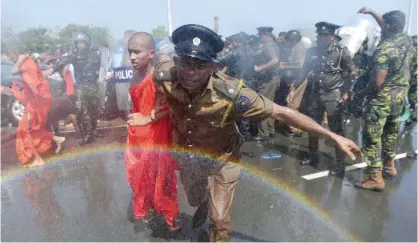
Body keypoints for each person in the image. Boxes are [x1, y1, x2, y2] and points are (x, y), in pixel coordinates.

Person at [128, 24, 362, 241]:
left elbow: (281, 113)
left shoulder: (232, 94)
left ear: (213, 67)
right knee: (194, 199)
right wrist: (153, 113)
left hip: (223, 158)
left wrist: (332, 135)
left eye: (200, 65)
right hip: (191, 157)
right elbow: (161, 82)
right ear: (177, 61)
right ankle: (205, 204)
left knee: (219, 219)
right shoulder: (164, 74)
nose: (191, 72)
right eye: (186, 63)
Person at [125, 32, 180, 231]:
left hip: (156, 135)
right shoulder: (134, 73)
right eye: (130, 52)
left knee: (162, 177)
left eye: (137, 52)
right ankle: (147, 207)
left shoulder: (159, 76)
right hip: (136, 136)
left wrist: (147, 118)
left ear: (151, 53)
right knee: (138, 177)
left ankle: (171, 216)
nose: (132, 57)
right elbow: (137, 104)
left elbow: (173, 105)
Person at [287, 22, 358, 175]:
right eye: (318, 34)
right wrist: (294, 88)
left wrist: (347, 91)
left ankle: (339, 164)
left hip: (333, 95)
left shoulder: (341, 52)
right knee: (313, 126)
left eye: (324, 35)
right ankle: (313, 156)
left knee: (336, 130)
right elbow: (304, 71)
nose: (320, 37)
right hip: (315, 93)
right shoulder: (312, 51)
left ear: (332, 36)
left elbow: (352, 72)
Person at [355, 8, 414, 191]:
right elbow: (387, 24)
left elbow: (378, 82)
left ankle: (375, 177)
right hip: (398, 98)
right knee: (390, 132)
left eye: (383, 25)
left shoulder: (384, 49)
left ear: (388, 26)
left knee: (372, 136)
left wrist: (361, 93)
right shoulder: (405, 40)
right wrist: (372, 12)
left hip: (381, 100)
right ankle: (389, 166)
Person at [6, 47, 65, 168]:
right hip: (35, 103)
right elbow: (35, 79)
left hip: (35, 105)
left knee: (24, 130)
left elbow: (14, 71)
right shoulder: (29, 63)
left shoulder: (26, 63)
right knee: (32, 130)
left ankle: (38, 159)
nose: (10, 59)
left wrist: (19, 60)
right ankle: (56, 139)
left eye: (10, 56)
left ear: (15, 53)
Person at [51, 31, 102, 146]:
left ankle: (93, 131)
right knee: (82, 111)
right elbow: (60, 62)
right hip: (80, 87)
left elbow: (103, 67)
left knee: (94, 111)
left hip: (93, 86)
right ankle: (86, 135)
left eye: (83, 43)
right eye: (78, 43)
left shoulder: (95, 53)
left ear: (87, 43)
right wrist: (50, 70)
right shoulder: (73, 54)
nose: (80, 45)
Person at [254, 26, 281, 139]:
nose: (259, 37)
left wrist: (260, 68)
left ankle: (263, 133)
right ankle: (270, 130)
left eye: (260, 35)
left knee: (262, 105)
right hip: (273, 78)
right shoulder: (274, 43)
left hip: (267, 79)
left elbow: (275, 60)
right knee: (270, 105)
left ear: (265, 34)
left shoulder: (269, 45)